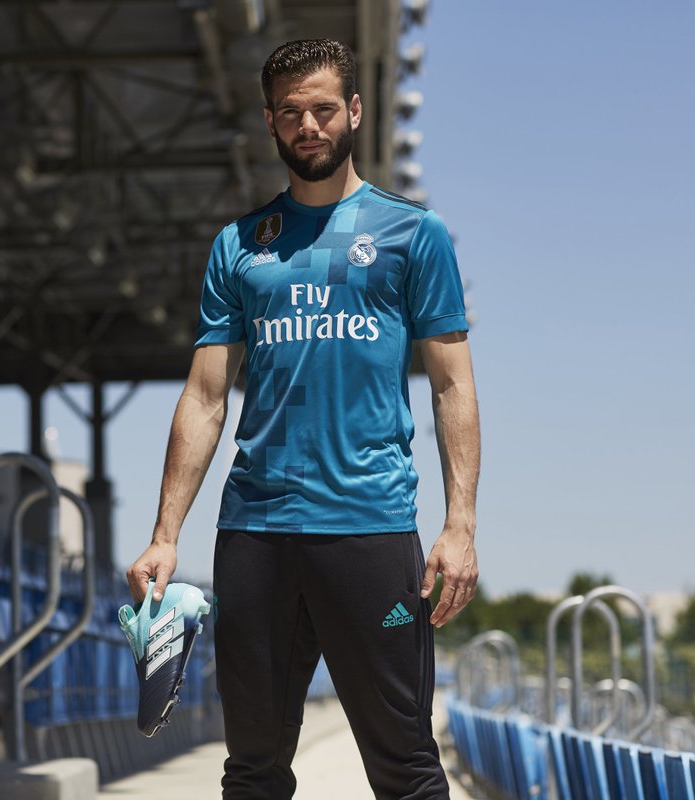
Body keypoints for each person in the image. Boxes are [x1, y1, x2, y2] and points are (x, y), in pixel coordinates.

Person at [126, 38, 480, 799]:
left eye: (323, 109)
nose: (308, 126)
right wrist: (165, 534)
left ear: (354, 111)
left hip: (369, 526)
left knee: (407, 769)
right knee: (251, 771)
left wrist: (460, 525)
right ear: (270, 122)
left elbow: (453, 386)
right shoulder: (238, 247)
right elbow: (205, 397)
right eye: (291, 113)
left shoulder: (413, 234)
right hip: (255, 534)